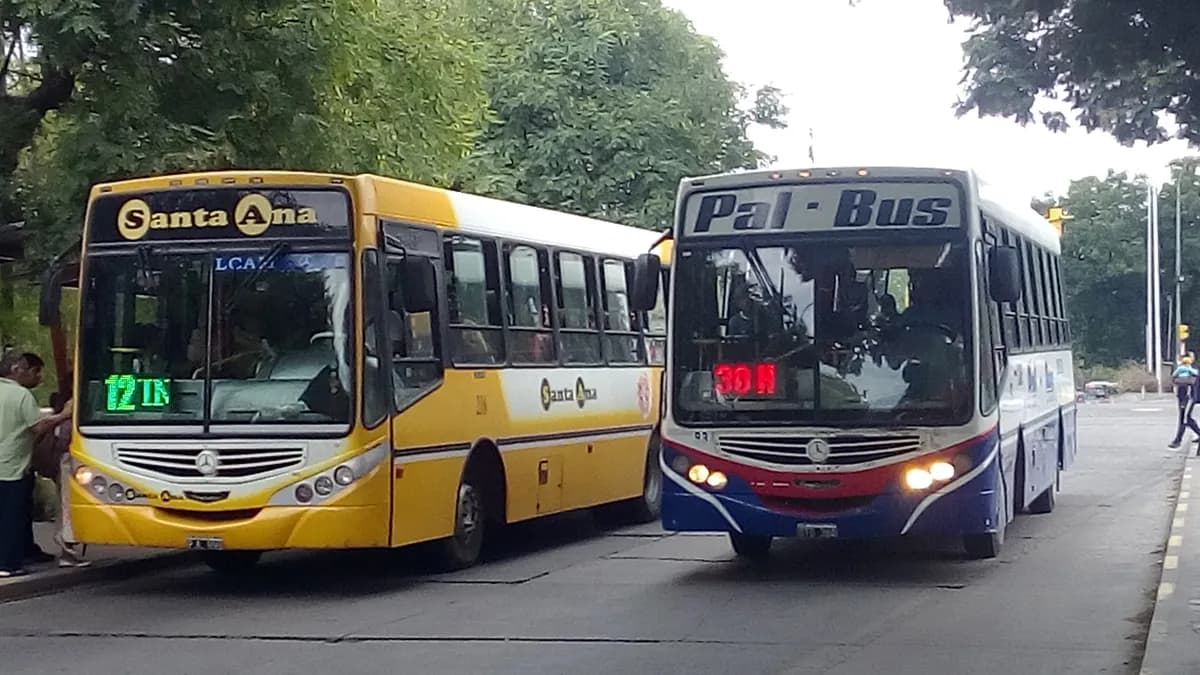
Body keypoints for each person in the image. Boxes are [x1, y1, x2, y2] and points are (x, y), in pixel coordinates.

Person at [0, 352, 72, 577]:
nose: (38, 378)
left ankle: (26, 551)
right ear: (17, 369)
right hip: (13, 465)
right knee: (12, 515)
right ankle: (8, 564)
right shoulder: (21, 395)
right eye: (35, 372)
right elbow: (37, 427)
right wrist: (63, 415)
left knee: (16, 512)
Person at [1170, 355, 1200, 449]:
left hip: (1188, 397)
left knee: (1184, 418)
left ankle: (1178, 440)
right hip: (1184, 397)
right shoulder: (1189, 370)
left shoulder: (1193, 370)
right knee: (1187, 418)